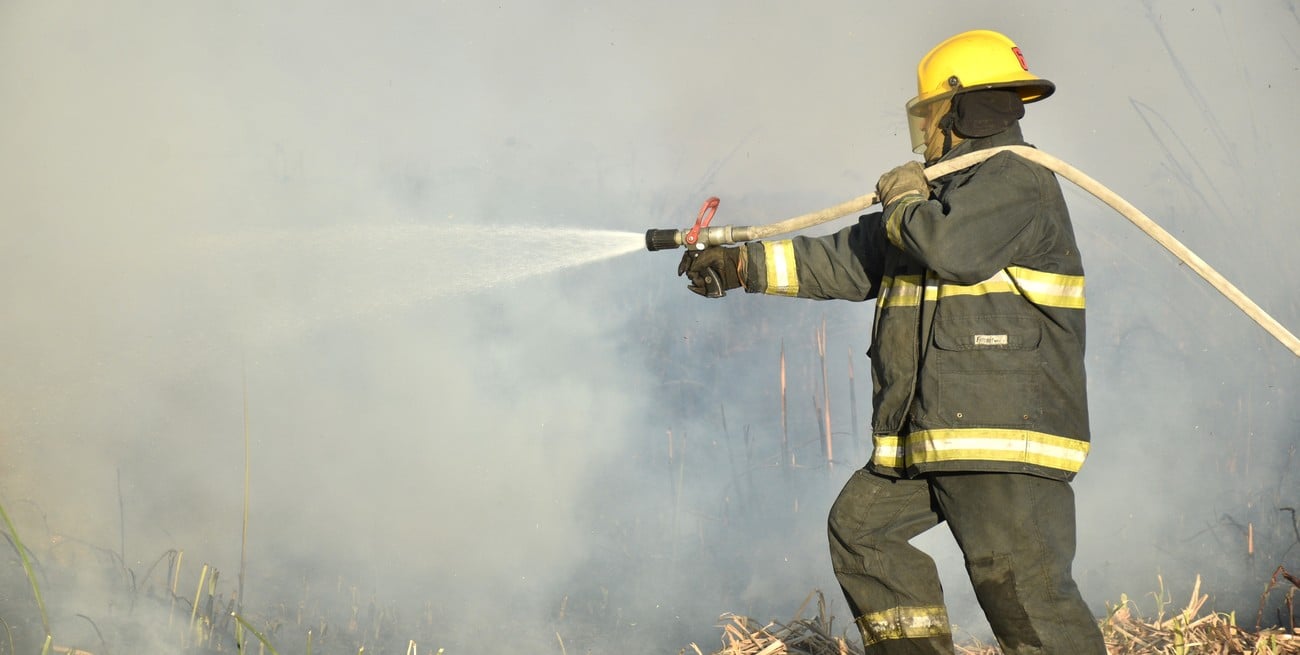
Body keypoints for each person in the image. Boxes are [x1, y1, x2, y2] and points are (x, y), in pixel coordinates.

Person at [677, 30, 1106, 654]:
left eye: (931, 113)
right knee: (862, 530)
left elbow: (951, 250)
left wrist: (906, 196)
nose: (925, 131)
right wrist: (741, 266)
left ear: (965, 110)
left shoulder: (1017, 181)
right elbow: (851, 258)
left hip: (1001, 437)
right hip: (933, 433)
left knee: (1024, 594)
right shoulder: (941, 200)